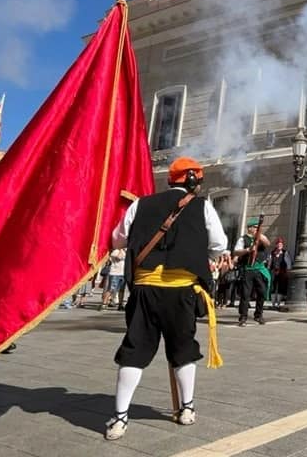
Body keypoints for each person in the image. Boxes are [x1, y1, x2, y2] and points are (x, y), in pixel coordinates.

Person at [105, 157, 227, 441]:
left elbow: (118, 239)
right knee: (183, 349)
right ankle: (187, 408)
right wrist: (199, 256)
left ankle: (120, 418)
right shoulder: (203, 206)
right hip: (183, 291)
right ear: (193, 180)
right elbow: (220, 244)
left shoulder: (140, 204)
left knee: (134, 350)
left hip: (145, 290)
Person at [234, 217, 271, 326]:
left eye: (257, 227)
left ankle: (258, 315)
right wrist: (247, 250)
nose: (256, 229)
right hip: (248, 269)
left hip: (259, 269)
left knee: (262, 293)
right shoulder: (243, 239)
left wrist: (258, 236)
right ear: (249, 228)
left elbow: (267, 243)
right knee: (245, 294)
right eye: (255, 227)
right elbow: (236, 252)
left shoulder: (261, 237)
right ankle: (243, 317)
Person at [269, 237, 291, 309]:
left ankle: (278, 303)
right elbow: (270, 262)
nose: (279, 246)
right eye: (278, 244)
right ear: (276, 245)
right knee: (273, 287)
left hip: (282, 272)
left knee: (280, 287)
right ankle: (273, 304)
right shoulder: (272, 253)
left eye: (280, 244)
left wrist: (288, 271)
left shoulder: (285, 253)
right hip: (273, 271)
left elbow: (288, 263)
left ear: (282, 245)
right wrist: (268, 269)